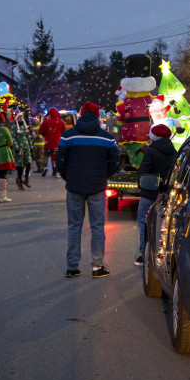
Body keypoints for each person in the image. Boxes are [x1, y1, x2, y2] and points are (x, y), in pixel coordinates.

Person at [57, 101, 120, 279]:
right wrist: (103, 175)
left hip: (74, 187)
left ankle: (72, 266)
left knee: (74, 226)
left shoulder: (68, 135)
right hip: (97, 188)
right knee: (98, 227)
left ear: (81, 115)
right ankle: (97, 266)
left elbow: (60, 160)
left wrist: (69, 176)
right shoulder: (106, 137)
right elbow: (116, 162)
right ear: (98, 115)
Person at [135, 124, 178, 265]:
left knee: (144, 223)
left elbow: (143, 172)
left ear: (153, 137)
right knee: (164, 225)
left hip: (149, 193)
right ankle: (163, 255)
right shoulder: (174, 152)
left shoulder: (150, 151)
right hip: (166, 194)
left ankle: (145, 254)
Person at [10, 111, 33, 190]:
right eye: (19, 117)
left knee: (29, 162)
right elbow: (13, 137)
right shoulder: (14, 126)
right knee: (20, 165)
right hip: (19, 148)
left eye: (22, 117)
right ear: (16, 118)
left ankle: (26, 179)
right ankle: (19, 180)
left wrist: (31, 146)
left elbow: (28, 136)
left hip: (26, 147)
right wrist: (16, 147)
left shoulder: (25, 126)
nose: (21, 118)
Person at [39, 107, 65, 177]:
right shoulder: (61, 121)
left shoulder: (46, 121)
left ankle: (47, 167)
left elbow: (40, 131)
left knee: (47, 155)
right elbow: (64, 131)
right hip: (57, 142)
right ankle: (57, 170)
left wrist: (46, 134)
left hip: (48, 142)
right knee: (56, 156)